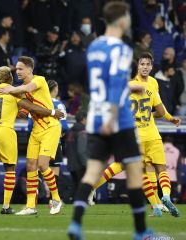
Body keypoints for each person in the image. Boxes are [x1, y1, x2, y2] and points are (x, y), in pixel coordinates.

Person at [65, 2, 152, 239]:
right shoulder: (121, 49)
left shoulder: (93, 46)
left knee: (93, 171)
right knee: (134, 171)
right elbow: (114, 83)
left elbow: (99, 82)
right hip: (119, 119)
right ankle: (141, 231)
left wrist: (129, 86)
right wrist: (113, 116)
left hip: (95, 114)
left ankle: (75, 224)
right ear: (122, 20)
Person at [90, 53, 182, 218]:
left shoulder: (131, 86)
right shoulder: (150, 86)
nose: (145, 67)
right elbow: (160, 111)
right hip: (150, 134)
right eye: (142, 64)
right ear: (137, 67)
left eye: (148, 64)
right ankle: (162, 199)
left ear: (151, 67)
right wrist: (167, 117)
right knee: (155, 169)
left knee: (140, 169)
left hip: (136, 135)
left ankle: (156, 205)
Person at [0, 66, 64, 214]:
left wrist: (16, 112)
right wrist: (52, 112)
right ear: (10, 78)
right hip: (5, 131)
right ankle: (5, 207)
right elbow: (31, 107)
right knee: (10, 169)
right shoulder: (13, 92)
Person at [27, 80, 68, 180]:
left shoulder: (35, 103)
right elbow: (64, 126)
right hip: (53, 142)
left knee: (36, 171)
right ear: (55, 89)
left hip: (38, 142)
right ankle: (52, 195)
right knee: (54, 170)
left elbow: (29, 126)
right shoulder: (59, 105)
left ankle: (38, 194)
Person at [66, 110, 87, 200]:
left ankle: (66, 201)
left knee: (75, 185)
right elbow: (82, 150)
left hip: (71, 162)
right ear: (83, 119)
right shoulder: (83, 131)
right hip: (80, 164)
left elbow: (66, 146)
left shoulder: (70, 130)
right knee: (81, 186)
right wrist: (86, 163)